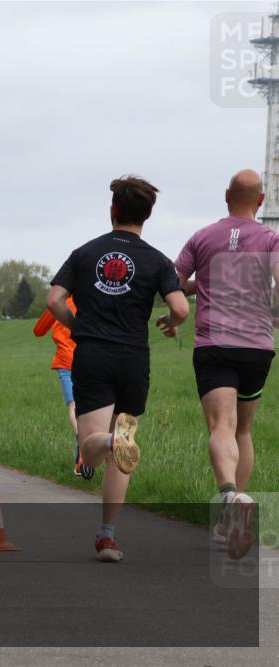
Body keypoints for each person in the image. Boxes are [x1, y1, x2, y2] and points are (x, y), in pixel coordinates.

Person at [47, 175, 188, 563]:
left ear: (113, 209)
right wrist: (170, 322)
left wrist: (79, 326)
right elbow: (180, 308)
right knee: (122, 454)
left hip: (93, 354)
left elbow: (54, 299)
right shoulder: (157, 260)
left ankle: (110, 441)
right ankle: (107, 537)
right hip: (133, 360)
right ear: (148, 215)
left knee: (91, 450)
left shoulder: (84, 252)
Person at [173, 169, 279, 560]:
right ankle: (232, 517)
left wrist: (194, 288)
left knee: (222, 425)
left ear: (226, 195)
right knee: (243, 430)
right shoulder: (270, 238)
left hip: (214, 343)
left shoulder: (203, 237)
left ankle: (230, 495)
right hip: (257, 346)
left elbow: (173, 282)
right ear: (261, 201)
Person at [33, 297, 90, 478]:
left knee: (74, 406)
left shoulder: (59, 301)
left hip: (66, 361)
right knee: (90, 408)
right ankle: (90, 451)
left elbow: (38, 330)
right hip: (91, 359)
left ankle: (83, 445)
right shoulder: (92, 298)